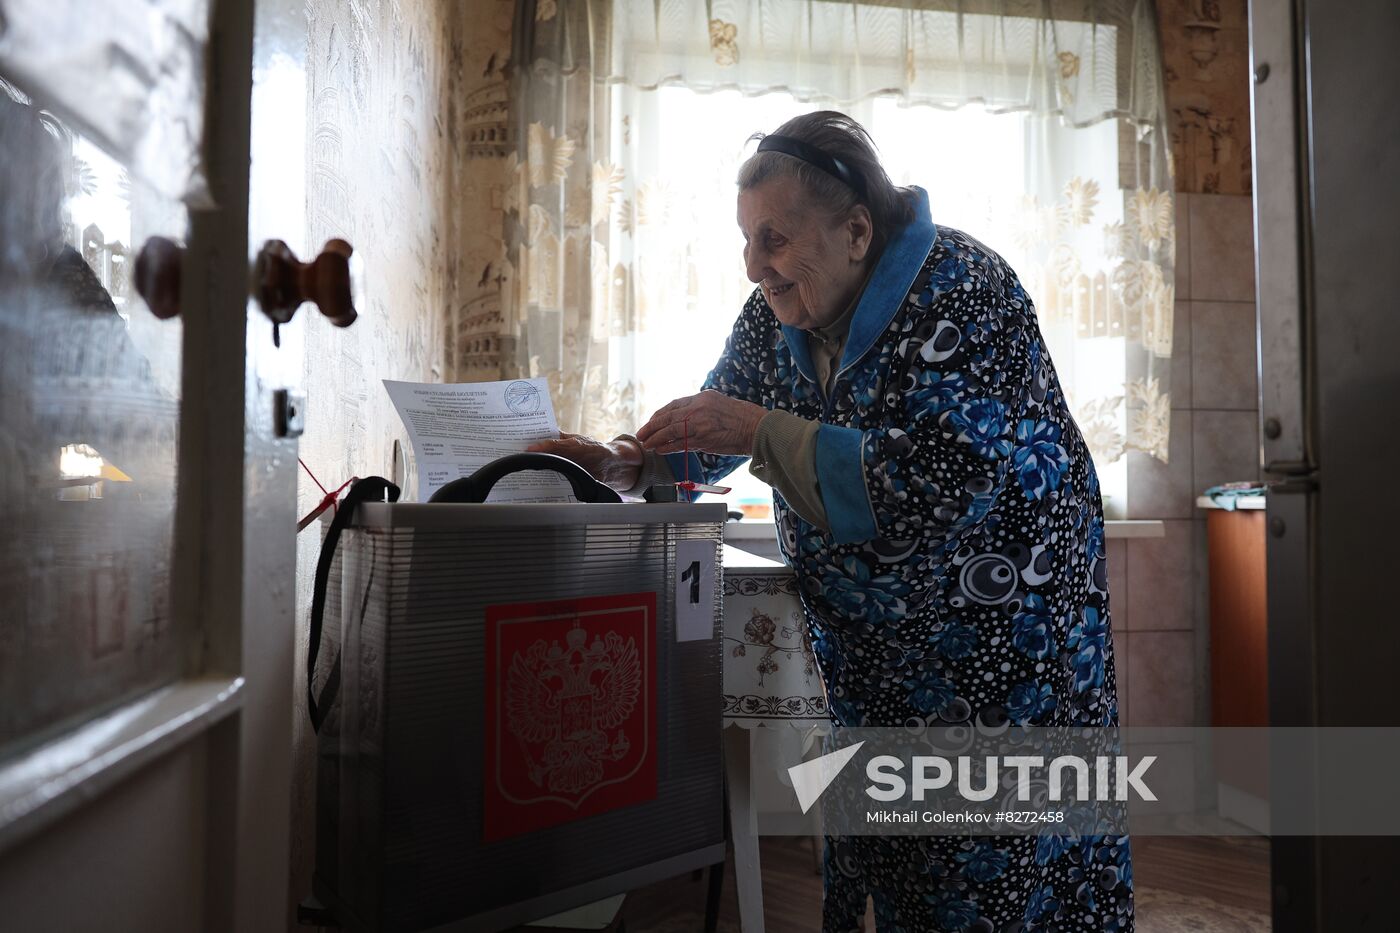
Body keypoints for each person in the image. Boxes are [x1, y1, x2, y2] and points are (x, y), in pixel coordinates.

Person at [530, 111, 1132, 932]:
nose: (753, 266)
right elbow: (716, 424)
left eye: (773, 239)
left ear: (855, 230)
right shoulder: (776, 316)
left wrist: (758, 431)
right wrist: (629, 461)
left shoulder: (964, 285)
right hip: (868, 651)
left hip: (1001, 636)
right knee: (890, 845)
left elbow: (941, 480)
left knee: (996, 856)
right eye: (746, 240)